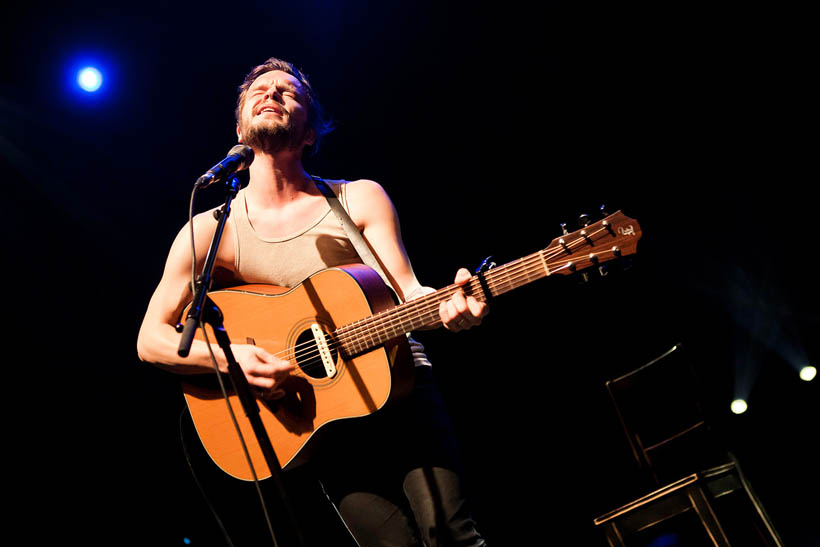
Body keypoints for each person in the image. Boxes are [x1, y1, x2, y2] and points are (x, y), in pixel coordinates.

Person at [137, 57, 488, 547]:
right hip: (319, 416)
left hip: (401, 387)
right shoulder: (211, 231)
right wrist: (233, 358)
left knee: (449, 533)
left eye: (289, 91)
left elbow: (407, 291)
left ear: (310, 133)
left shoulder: (358, 198)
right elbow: (152, 339)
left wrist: (451, 309)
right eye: (259, 90)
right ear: (239, 127)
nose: (272, 94)